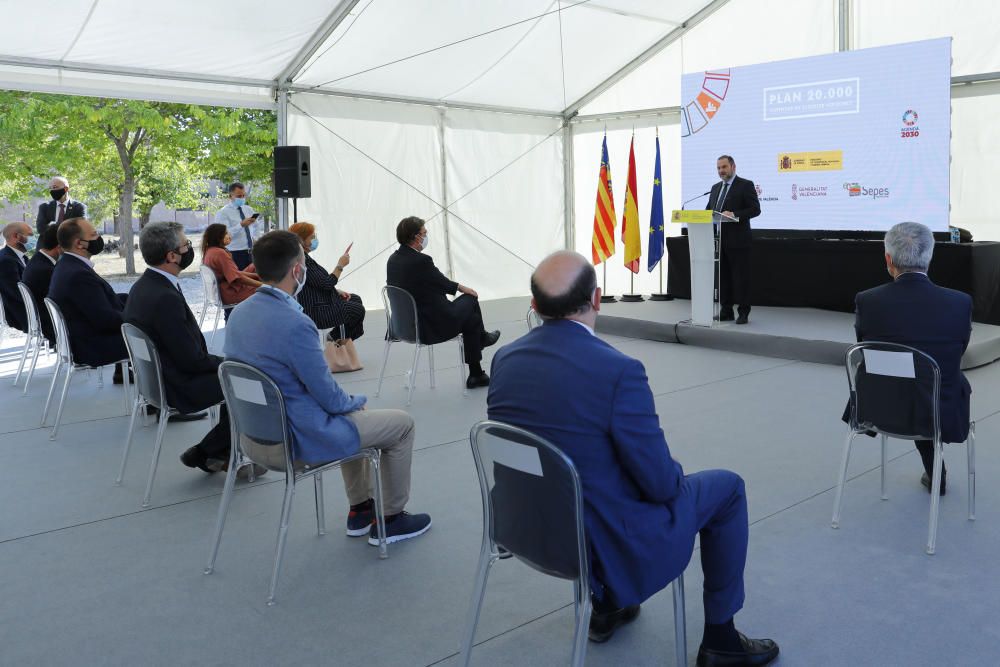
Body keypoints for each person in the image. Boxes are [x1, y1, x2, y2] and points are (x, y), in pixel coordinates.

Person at [487, 250, 779, 666]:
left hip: (525, 529)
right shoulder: (617, 370)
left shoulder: (504, 358)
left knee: (588, 475)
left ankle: (607, 607)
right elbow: (659, 484)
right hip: (600, 543)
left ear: (534, 306)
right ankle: (721, 637)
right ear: (597, 299)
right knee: (726, 488)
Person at [225, 231, 431, 544]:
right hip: (293, 440)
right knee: (400, 425)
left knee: (354, 417)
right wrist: (355, 401)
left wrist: (348, 404)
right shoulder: (295, 323)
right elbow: (329, 397)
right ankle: (390, 518)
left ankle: (361, 510)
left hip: (252, 439)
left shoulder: (239, 315)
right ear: (297, 270)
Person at [844, 222, 972, 495]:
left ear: (888, 259)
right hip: (938, 411)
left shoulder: (867, 301)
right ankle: (936, 471)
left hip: (880, 408)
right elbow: (956, 354)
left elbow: (865, 348)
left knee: (911, 381)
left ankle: (934, 470)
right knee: (934, 381)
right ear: (930, 257)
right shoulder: (960, 303)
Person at [124, 222, 251, 473]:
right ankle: (208, 452)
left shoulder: (144, 286)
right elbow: (192, 360)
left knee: (236, 374)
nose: (190, 249)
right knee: (247, 381)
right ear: (171, 256)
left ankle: (218, 451)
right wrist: (231, 362)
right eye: (186, 245)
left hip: (158, 380)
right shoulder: (164, 298)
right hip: (177, 384)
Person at [386, 216, 500, 388]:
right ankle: (482, 339)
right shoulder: (421, 261)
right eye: (425, 233)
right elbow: (442, 283)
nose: (426, 236)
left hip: (403, 327)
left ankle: (477, 374)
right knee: (471, 298)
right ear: (416, 237)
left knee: (472, 321)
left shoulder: (392, 260)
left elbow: (428, 284)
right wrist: (462, 288)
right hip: (429, 327)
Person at [47, 218, 129, 383]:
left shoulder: (67, 265)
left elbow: (99, 301)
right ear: (80, 243)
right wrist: (140, 316)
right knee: (159, 333)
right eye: (93, 234)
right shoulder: (78, 274)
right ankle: (166, 397)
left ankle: (128, 376)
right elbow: (106, 320)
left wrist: (131, 300)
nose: (98, 238)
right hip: (92, 346)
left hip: (85, 338)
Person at [288, 222, 365, 340]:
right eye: (312, 237)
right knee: (357, 311)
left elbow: (318, 283)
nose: (315, 240)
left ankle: (341, 341)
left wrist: (336, 291)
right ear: (301, 241)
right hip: (315, 310)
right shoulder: (303, 262)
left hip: (318, 301)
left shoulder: (304, 258)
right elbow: (327, 283)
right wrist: (340, 266)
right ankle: (335, 339)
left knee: (355, 299)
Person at [706, 155, 760, 325]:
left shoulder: (745, 185)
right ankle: (726, 310)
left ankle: (743, 312)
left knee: (741, 278)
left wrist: (735, 214)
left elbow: (755, 209)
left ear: (733, 167)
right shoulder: (715, 188)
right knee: (724, 278)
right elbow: (709, 210)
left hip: (739, 241)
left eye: (724, 167)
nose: (721, 171)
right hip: (719, 240)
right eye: (718, 168)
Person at [201, 223, 261, 308]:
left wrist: (255, 276)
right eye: (226, 233)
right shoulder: (220, 253)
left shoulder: (210, 251)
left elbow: (233, 274)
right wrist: (262, 285)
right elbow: (236, 278)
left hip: (220, 292)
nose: (229, 236)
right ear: (218, 237)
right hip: (229, 293)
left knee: (253, 266)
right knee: (268, 291)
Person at [22, 223, 61, 345]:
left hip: (47, 321)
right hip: (54, 328)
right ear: (59, 246)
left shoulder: (38, 260)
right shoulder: (45, 269)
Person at [213, 182, 260, 270]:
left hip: (251, 252)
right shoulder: (223, 213)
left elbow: (257, 226)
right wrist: (241, 225)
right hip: (234, 253)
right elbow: (223, 235)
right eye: (239, 196)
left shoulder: (248, 209)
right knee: (239, 281)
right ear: (230, 196)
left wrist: (256, 238)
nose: (242, 198)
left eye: (243, 195)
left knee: (253, 280)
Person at [0, 222, 33, 333]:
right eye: (30, 235)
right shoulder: (5, 260)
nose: (33, 240)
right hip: (23, 314)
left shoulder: (20, 257)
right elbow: (16, 293)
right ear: (16, 236)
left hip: (29, 309)